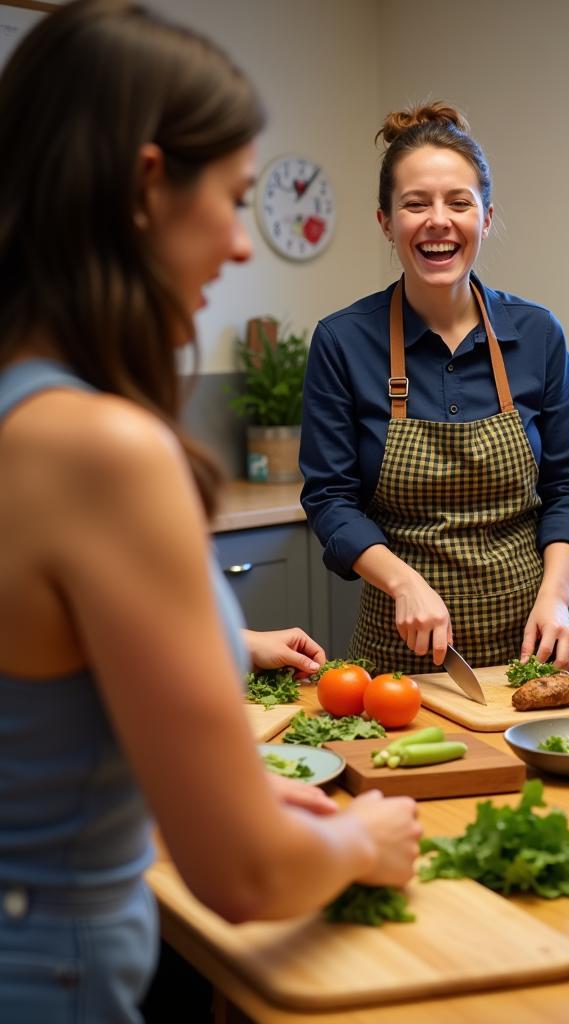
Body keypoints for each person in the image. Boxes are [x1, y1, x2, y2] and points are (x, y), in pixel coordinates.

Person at [0, 3, 420, 1020]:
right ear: (147, 185)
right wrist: (361, 840)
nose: (240, 246)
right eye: (233, 198)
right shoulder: (102, 447)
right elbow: (244, 874)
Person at [300, 103, 569, 675]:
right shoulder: (342, 341)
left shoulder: (538, 334)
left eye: (459, 202)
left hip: (533, 649)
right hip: (398, 652)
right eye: (416, 204)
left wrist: (557, 597)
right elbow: (330, 500)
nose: (439, 220)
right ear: (386, 222)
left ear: (485, 218)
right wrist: (404, 583)